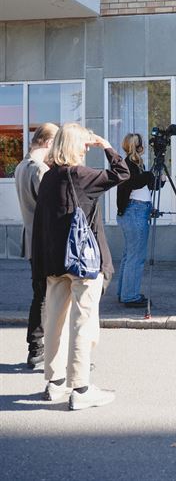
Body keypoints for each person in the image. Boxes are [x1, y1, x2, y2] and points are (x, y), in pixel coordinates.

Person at [31, 124, 129, 410]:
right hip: (82, 262)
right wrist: (107, 146)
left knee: (54, 324)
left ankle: (55, 382)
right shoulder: (80, 175)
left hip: (53, 261)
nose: (87, 150)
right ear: (74, 146)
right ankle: (82, 388)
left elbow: (41, 224)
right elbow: (122, 174)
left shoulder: (48, 177)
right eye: (85, 146)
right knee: (82, 322)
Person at [14, 122, 58, 369]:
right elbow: (51, 206)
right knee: (44, 296)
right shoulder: (39, 169)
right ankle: (38, 348)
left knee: (40, 294)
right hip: (43, 241)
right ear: (49, 143)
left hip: (31, 238)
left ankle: (37, 347)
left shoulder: (21, 166)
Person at [116, 133, 159, 307]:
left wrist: (156, 178)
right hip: (134, 212)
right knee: (135, 257)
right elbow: (134, 182)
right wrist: (151, 175)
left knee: (129, 256)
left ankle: (124, 292)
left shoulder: (136, 164)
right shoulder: (128, 165)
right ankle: (130, 296)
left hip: (136, 211)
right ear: (138, 146)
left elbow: (147, 185)